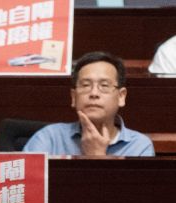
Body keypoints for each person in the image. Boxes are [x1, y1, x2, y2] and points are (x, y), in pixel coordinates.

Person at [23, 52, 154, 157]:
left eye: (104, 85)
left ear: (121, 96)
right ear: (74, 97)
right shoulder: (49, 138)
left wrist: (97, 156)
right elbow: (25, 186)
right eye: (86, 85)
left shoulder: (139, 147)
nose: (94, 93)